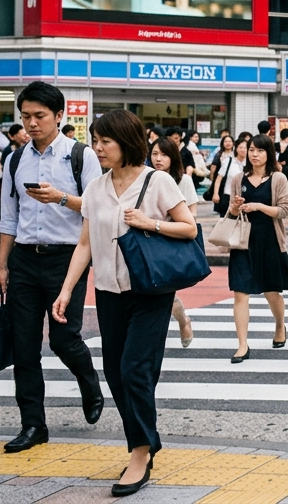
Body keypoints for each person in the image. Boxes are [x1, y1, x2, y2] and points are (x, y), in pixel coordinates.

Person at [53, 108, 198, 497]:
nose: (97, 148)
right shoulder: (97, 188)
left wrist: (149, 223)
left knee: (135, 369)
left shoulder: (158, 181)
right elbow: (85, 243)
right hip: (108, 292)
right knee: (116, 373)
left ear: (126, 141)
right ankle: (144, 439)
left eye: (105, 142)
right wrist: (67, 290)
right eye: (95, 141)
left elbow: (190, 228)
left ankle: (140, 451)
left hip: (150, 291)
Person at [0, 82, 104, 454]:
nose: (31, 124)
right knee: (23, 347)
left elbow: (95, 208)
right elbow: (9, 217)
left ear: (59, 116)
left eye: (39, 116)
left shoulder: (80, 155)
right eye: (25, 117)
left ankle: (89, 381)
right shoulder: (15, 158)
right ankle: (33, 425)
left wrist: (60, 198)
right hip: (24, 259)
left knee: (62, 339)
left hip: (66, 259)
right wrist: (3, 266)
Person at [225, 133, 288, 363]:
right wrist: (236, 208)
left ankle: (279, 326)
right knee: (240, 292)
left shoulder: (278, 178)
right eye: (251, 150)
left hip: (270, 241)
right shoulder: (238, 179)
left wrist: (260, 206)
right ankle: (242, 345)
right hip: (243, 242)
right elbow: (230, 213)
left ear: (269, 154)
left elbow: (285, 209)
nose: (254, 154)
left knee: (271, 291)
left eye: (260, 150)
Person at [149, 137, 199, 350]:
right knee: (158, 290)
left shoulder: (183, 180)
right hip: (151, 241)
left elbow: (192, 214)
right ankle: (181, 321)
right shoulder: (147, 178)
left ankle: (183, 321)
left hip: (174, 240)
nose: (158, 159)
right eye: (154, 154)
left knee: (166, 291)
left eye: (164, 155)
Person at [212, 138, 248, 218]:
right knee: (226, 220)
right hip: (228, 195)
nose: (243, 150)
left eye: (245, 148)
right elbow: (218, 179)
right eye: (240, 147)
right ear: (236, 149)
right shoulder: (229, 161)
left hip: (244, 197)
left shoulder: (250, 164)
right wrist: (215, 194)